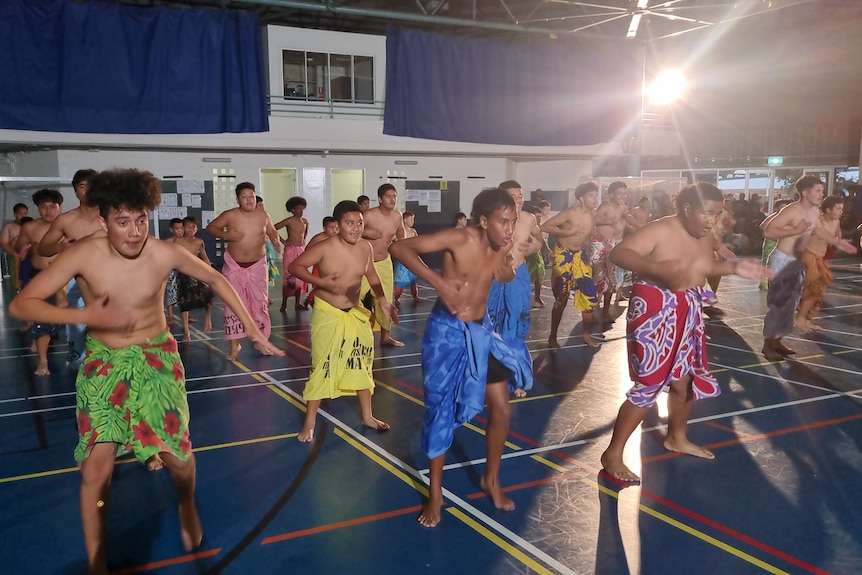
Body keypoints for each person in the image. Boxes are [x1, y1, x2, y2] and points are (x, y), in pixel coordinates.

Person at [8, 168, 284, 575]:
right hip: (104, 364)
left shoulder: (163, 252)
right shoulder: (83, 254)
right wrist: (82, 314)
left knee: (177, 460)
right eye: (123, 222)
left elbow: (215, 279)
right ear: (103, 221)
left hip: (157, 360)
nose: (135, 231)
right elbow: (22, 304)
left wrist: (255, 331)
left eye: (141, 219)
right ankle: (97, 562)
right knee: (96, 470)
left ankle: (187, 503)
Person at [599, 183, 771, 484]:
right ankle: (612, 454)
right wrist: (658, 269)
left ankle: (676, 437)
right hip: (654, 308)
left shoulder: (704, 235)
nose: (712, 221)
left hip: (687, 308)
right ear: (688, 208)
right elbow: (620, 254)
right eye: (707, 213)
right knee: (649, 384)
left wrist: (734, 268)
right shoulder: (660, 229)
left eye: (717, 214)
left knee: (684, 380)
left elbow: (703, 265)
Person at [389, 188, 532, 528]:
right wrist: (438, 282)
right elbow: (399, 247)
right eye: (503, 221)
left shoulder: (502, 245)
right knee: (440, 412)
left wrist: (506, 272)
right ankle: (435, 494)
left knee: (502, 408)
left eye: (513, 221)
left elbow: (504, 270)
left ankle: (491, 479)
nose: (509, 229)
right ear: (483, 221)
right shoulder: (459, 238)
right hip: (446, 336)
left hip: (480, 333)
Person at [288, 200, 397, 442]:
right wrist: (324, 283)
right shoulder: (325, 247)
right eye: (350, 223)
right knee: (321, 365)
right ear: (337, 225)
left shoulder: (365, 248)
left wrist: (383, 301)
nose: (356, 228)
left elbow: (372, 276)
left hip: (355, 314)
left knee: (361, 363)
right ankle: (310, 421)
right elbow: (296, 267)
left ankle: (367, 416)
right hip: (328, 314)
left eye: (360, 223)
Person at [760, 175, 856, 361]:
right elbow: (768, 230)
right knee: (779, 304)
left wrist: (838, 242)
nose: (822, 194)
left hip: (796, 261)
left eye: (822, 190)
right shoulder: (792, 210)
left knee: (791, 303)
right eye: (818, 190)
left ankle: (777, 340)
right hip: (782, 260)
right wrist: (794, 231)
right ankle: (768, 345)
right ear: (805, 193)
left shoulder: (813, 211)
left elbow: (818, 230)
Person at [205, 182, 282, 360]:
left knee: (260, 304)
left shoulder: (263, 215)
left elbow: (271, 230)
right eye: (245, 196)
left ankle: (260, 341)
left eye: (252, 196)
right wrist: (227, 235)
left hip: (257, 266)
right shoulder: (230, 215)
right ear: (238, 199)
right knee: (232, 304)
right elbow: (210, 228)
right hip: (234, 266)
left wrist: (275, 239)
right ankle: (235, 345)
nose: (249, 199)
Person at [38, 169, 101, 369]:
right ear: (76, 192)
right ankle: (79, 366)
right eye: (83, 186)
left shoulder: (112, 216)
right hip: (78, 280)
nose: (88, 191)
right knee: (77, 328)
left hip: (111, 279)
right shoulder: (66, 220)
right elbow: (43, 248)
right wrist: (61, 247)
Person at [486, 180, 540, 398]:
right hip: (495, 276)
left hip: (519, 275)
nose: (518, 199)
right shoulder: (492, 220)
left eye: (520, 195)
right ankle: (492, 377)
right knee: (491, 324)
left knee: (516, 325)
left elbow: (538, 237)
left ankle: (515, 378)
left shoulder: (529, 218)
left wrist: (536, 245)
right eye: (513, 196)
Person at [540, 181, 600, 348]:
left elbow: (588, 232)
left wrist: (599, 241)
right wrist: (567, 232)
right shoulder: (570, 212)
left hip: (580, 255)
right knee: (562, 298)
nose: (595, 199)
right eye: (591, 196)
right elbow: (545, 226)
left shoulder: (594, 215)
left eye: (596, 195)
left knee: (589, 295)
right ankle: (552, 337)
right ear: (581, 198)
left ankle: (586, 335)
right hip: (563, 254)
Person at [14, 188, 65, 376]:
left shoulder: (68, 226)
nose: (49, 211)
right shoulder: (30, 228)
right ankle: (43, 361)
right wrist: (22, 248)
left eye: (53, 206)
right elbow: (18, 245)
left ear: (60, 207)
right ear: (37, 208)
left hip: (66, 277)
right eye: (44, 207)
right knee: (42, 319)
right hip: (41, 277)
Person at [360, 183, 406, 346]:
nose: (393, 199)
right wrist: (366, 232)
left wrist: (405, 246)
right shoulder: (368, 215)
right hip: (364, 262)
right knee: (354, 297)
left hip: (384, 262)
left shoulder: (397, 216)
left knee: (386, 300)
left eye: (395, 196)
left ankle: (385, 337)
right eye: (389, 196)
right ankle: (351, 334)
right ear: (380, 199)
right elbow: (350, 230)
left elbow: (401, 235)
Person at [796, 196, 848, 329]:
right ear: (828, 209)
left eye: (842, 208)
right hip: (808, 256)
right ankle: (799, 317)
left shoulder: (836, 222)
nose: (841, 211)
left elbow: (836, 239)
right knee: (814, 288)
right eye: (838, 208)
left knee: (819, 291)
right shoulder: (816, 221)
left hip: (821, 258)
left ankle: (806, 319)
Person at [591, 181, 628, 322]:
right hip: (599, 243)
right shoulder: (605, 206)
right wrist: (607, 223)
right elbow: (591, 222)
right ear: (611, 194)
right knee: (598, 278)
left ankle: (606, 311)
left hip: (612, 243)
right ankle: (592, 311)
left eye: (624, 193)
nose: (622, 196)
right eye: (619, 193)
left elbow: (626, 220)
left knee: (611, 279)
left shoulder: (623, 207)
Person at [176, 216, 214, 341]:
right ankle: (186, 330)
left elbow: (205, 257)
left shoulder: (199, 242)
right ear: (183, 228)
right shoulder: (177, 241)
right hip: (183, 274)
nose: (191, 229)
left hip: (198, 273)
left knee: (208, 297)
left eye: (193, 227)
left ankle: (208, 319)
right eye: (188, 227)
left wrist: (210, 272)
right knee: (184, 303)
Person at [274, 196, 309, 311]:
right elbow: (273, 228)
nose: (301, 211)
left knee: (300, 276)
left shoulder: (304, 222)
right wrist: (283, 241)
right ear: (293, 209)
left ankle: (297, 303)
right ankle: (284, 304)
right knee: (289, 275)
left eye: (302, 209)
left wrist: (303, 245)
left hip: (301, 250)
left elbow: (304, 235)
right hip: (291, 250)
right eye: (298, 209)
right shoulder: (289, 221)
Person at [303, 216, 339, 308]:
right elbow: (307, 250)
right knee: (318, 285)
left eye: (336, 227)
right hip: (319, 265)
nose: (335, 230)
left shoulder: (338, 237)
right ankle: (311, 300)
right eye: (331, 227)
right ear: (324, 228)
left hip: (334, 265)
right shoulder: (319, 238)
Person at [393, 211, 421, 304]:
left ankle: (415, 296)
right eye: (411, 219)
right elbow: (393, 242)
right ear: (404, 220)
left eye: (413, 219)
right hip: (403, 260)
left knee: (413, 280)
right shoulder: (398, 232)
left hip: (412, 259)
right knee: (400, 280)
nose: (413, 221)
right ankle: (397, 298)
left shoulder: (413, 231)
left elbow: (417, 243)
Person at [0, 202, 29, 289]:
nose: (23, 216)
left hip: (30, 258)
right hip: (15, 258)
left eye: (25, 213)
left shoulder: (31, 225)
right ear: (15, 214)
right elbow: (3, 243)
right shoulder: (9, 226)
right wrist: (15, 253)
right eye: (20, 213)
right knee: (16, 284)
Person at [256, 196, 281, 293]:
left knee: (267, 272)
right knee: (258, 273)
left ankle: (265, 294)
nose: (262, 207)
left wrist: (276, 241)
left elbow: (273, 231)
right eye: (259, 205)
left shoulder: (265, 216)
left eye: (263, 205)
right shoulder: (248, 218)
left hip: (267, 247)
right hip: (255, 250)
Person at [163, 218, 185, 325]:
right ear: (172, 230)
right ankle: (170, 316)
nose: (180, 231)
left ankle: (186, 315)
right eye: (177, 229)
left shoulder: (186, 242)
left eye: (181, 228)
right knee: (171, 292)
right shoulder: (168, 242)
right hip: (172, 270)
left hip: (184, 270)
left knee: (185, 293)